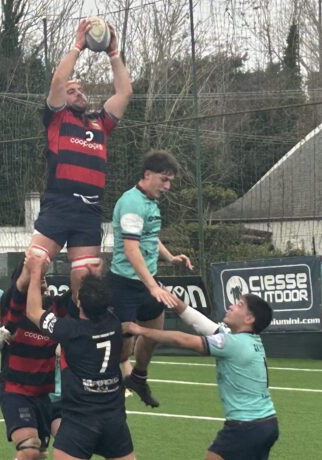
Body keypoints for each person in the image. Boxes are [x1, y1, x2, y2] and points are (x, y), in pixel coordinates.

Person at [27, 17, 132, 298]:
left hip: (89, 211)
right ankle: (15, 327)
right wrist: (78, 45)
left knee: (85, 280)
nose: (77, 93)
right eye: (71, 91)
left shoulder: (100, 124)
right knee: (33, 266)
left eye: (80, 90)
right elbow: (58, 80)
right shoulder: (57, 118)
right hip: (59, 206)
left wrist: (113, 53)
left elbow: (124, 92)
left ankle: (76, 336)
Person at [132, 294, 278, 460]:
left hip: (245, 427)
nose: (231, 306)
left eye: (239, 305)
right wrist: (168, 297)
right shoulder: (246, 341)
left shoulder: (231, 343)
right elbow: (198, 321)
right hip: (268, 424)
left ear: (249, 318)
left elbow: (183, 340)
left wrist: (139, 330)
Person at [23, 257, 134, 460]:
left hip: (80, 420)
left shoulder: (69, 330)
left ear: (79, 301)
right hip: (114, 419)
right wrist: (95, 276)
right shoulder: (114, 323)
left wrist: (35, 270)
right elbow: (125, 354)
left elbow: (33, 311)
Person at [110, 150, 193, 408]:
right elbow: (131, 249)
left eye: (170, 181)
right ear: (147, 175)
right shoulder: (131, 203)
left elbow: (149, 238)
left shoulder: (151, 202)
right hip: (124, 285)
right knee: (122, 351)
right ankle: (104, 388)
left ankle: (138, 377)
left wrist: (170, 257)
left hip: (147, 282)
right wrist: (152, 286)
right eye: (164, 180)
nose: (167, 187)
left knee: (154, 334)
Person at [0, 262, 70, 460]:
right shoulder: (11, 304)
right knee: (29, 448)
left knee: (40, 454)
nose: (41, 275)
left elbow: (77, 297)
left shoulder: (55, 306)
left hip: (43, 394)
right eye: (35, 273)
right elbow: (19, 288)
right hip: (15, 390)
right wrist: (32, 266)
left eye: (43, 273)